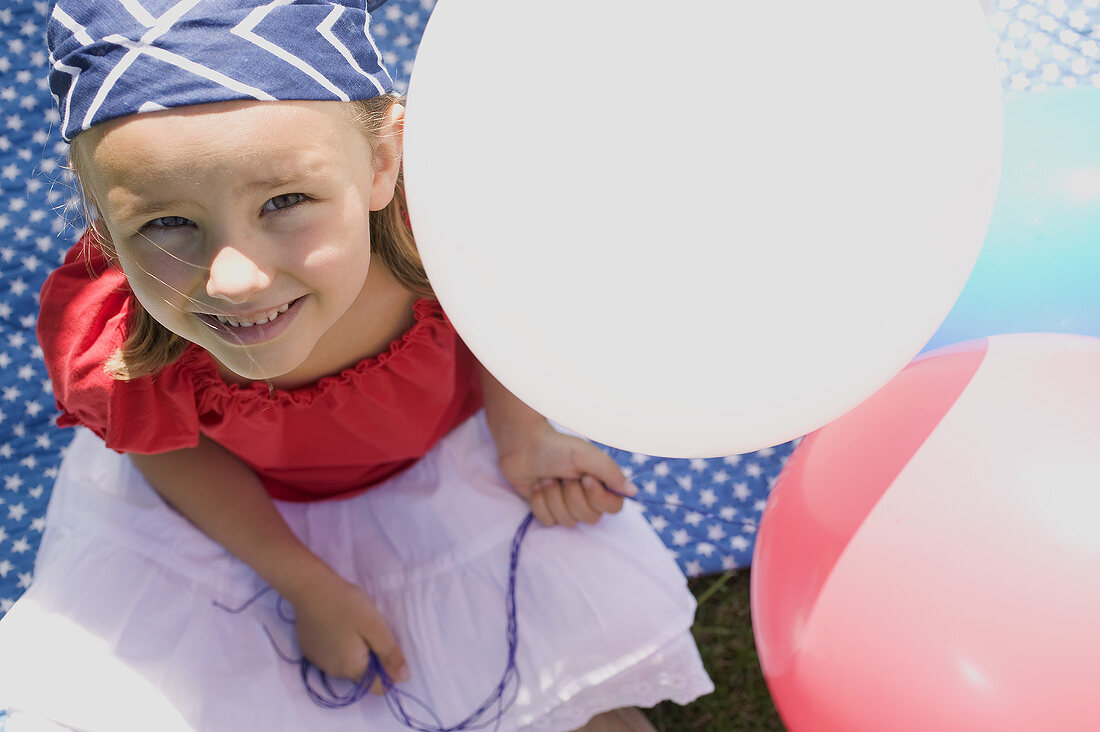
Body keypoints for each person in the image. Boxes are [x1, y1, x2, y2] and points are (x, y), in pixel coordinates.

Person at [0, 2, 713, 730]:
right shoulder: (118, 344)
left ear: (381, 162)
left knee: (573, 689)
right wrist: (306, 586)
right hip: (242, 512)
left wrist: (523, 437)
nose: (236, 279)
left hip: (449, 456)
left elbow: (499, 323)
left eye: (285, 201)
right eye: (166, 224)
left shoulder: (442, 235)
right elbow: (174, 455)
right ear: (100, 219)